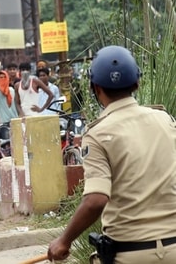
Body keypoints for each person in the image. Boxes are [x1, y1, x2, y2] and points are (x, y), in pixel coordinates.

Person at [48, 45, 176, 263]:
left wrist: (64, 241)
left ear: (95, 88)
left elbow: (96, 200)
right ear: (137, 83)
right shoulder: (166, 120)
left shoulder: (97, 134)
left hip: (130, 255)